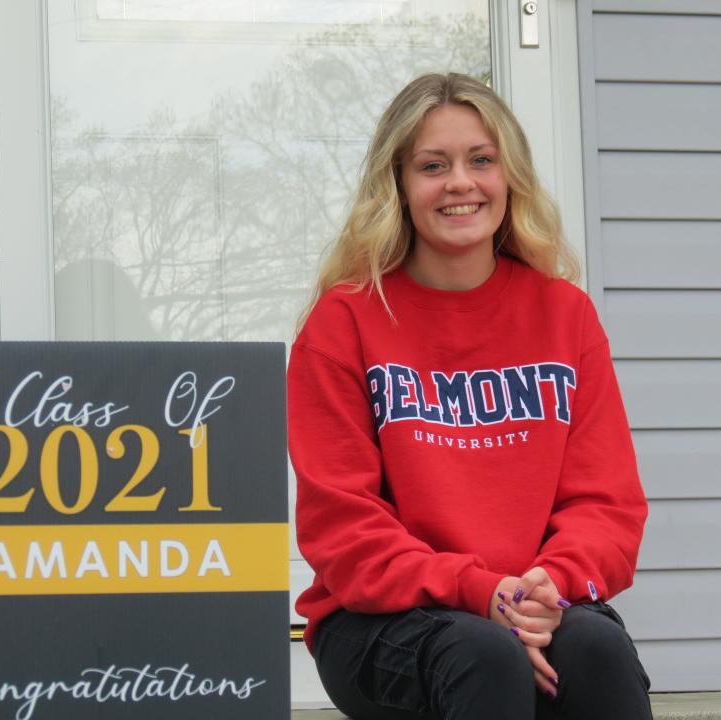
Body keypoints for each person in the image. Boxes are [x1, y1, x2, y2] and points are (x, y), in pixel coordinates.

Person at [287, 73, 651, 720]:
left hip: (535, 600)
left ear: (509, 176)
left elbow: (608, 504)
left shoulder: (563, 315)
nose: (460, 182)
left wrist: (550, 584)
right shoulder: (343, 323)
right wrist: (482, 592)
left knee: (597, 649)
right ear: (397, 184)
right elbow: (343, 529)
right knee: (485, 655)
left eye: (481, 160)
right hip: (380, 619)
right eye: (434, 165)